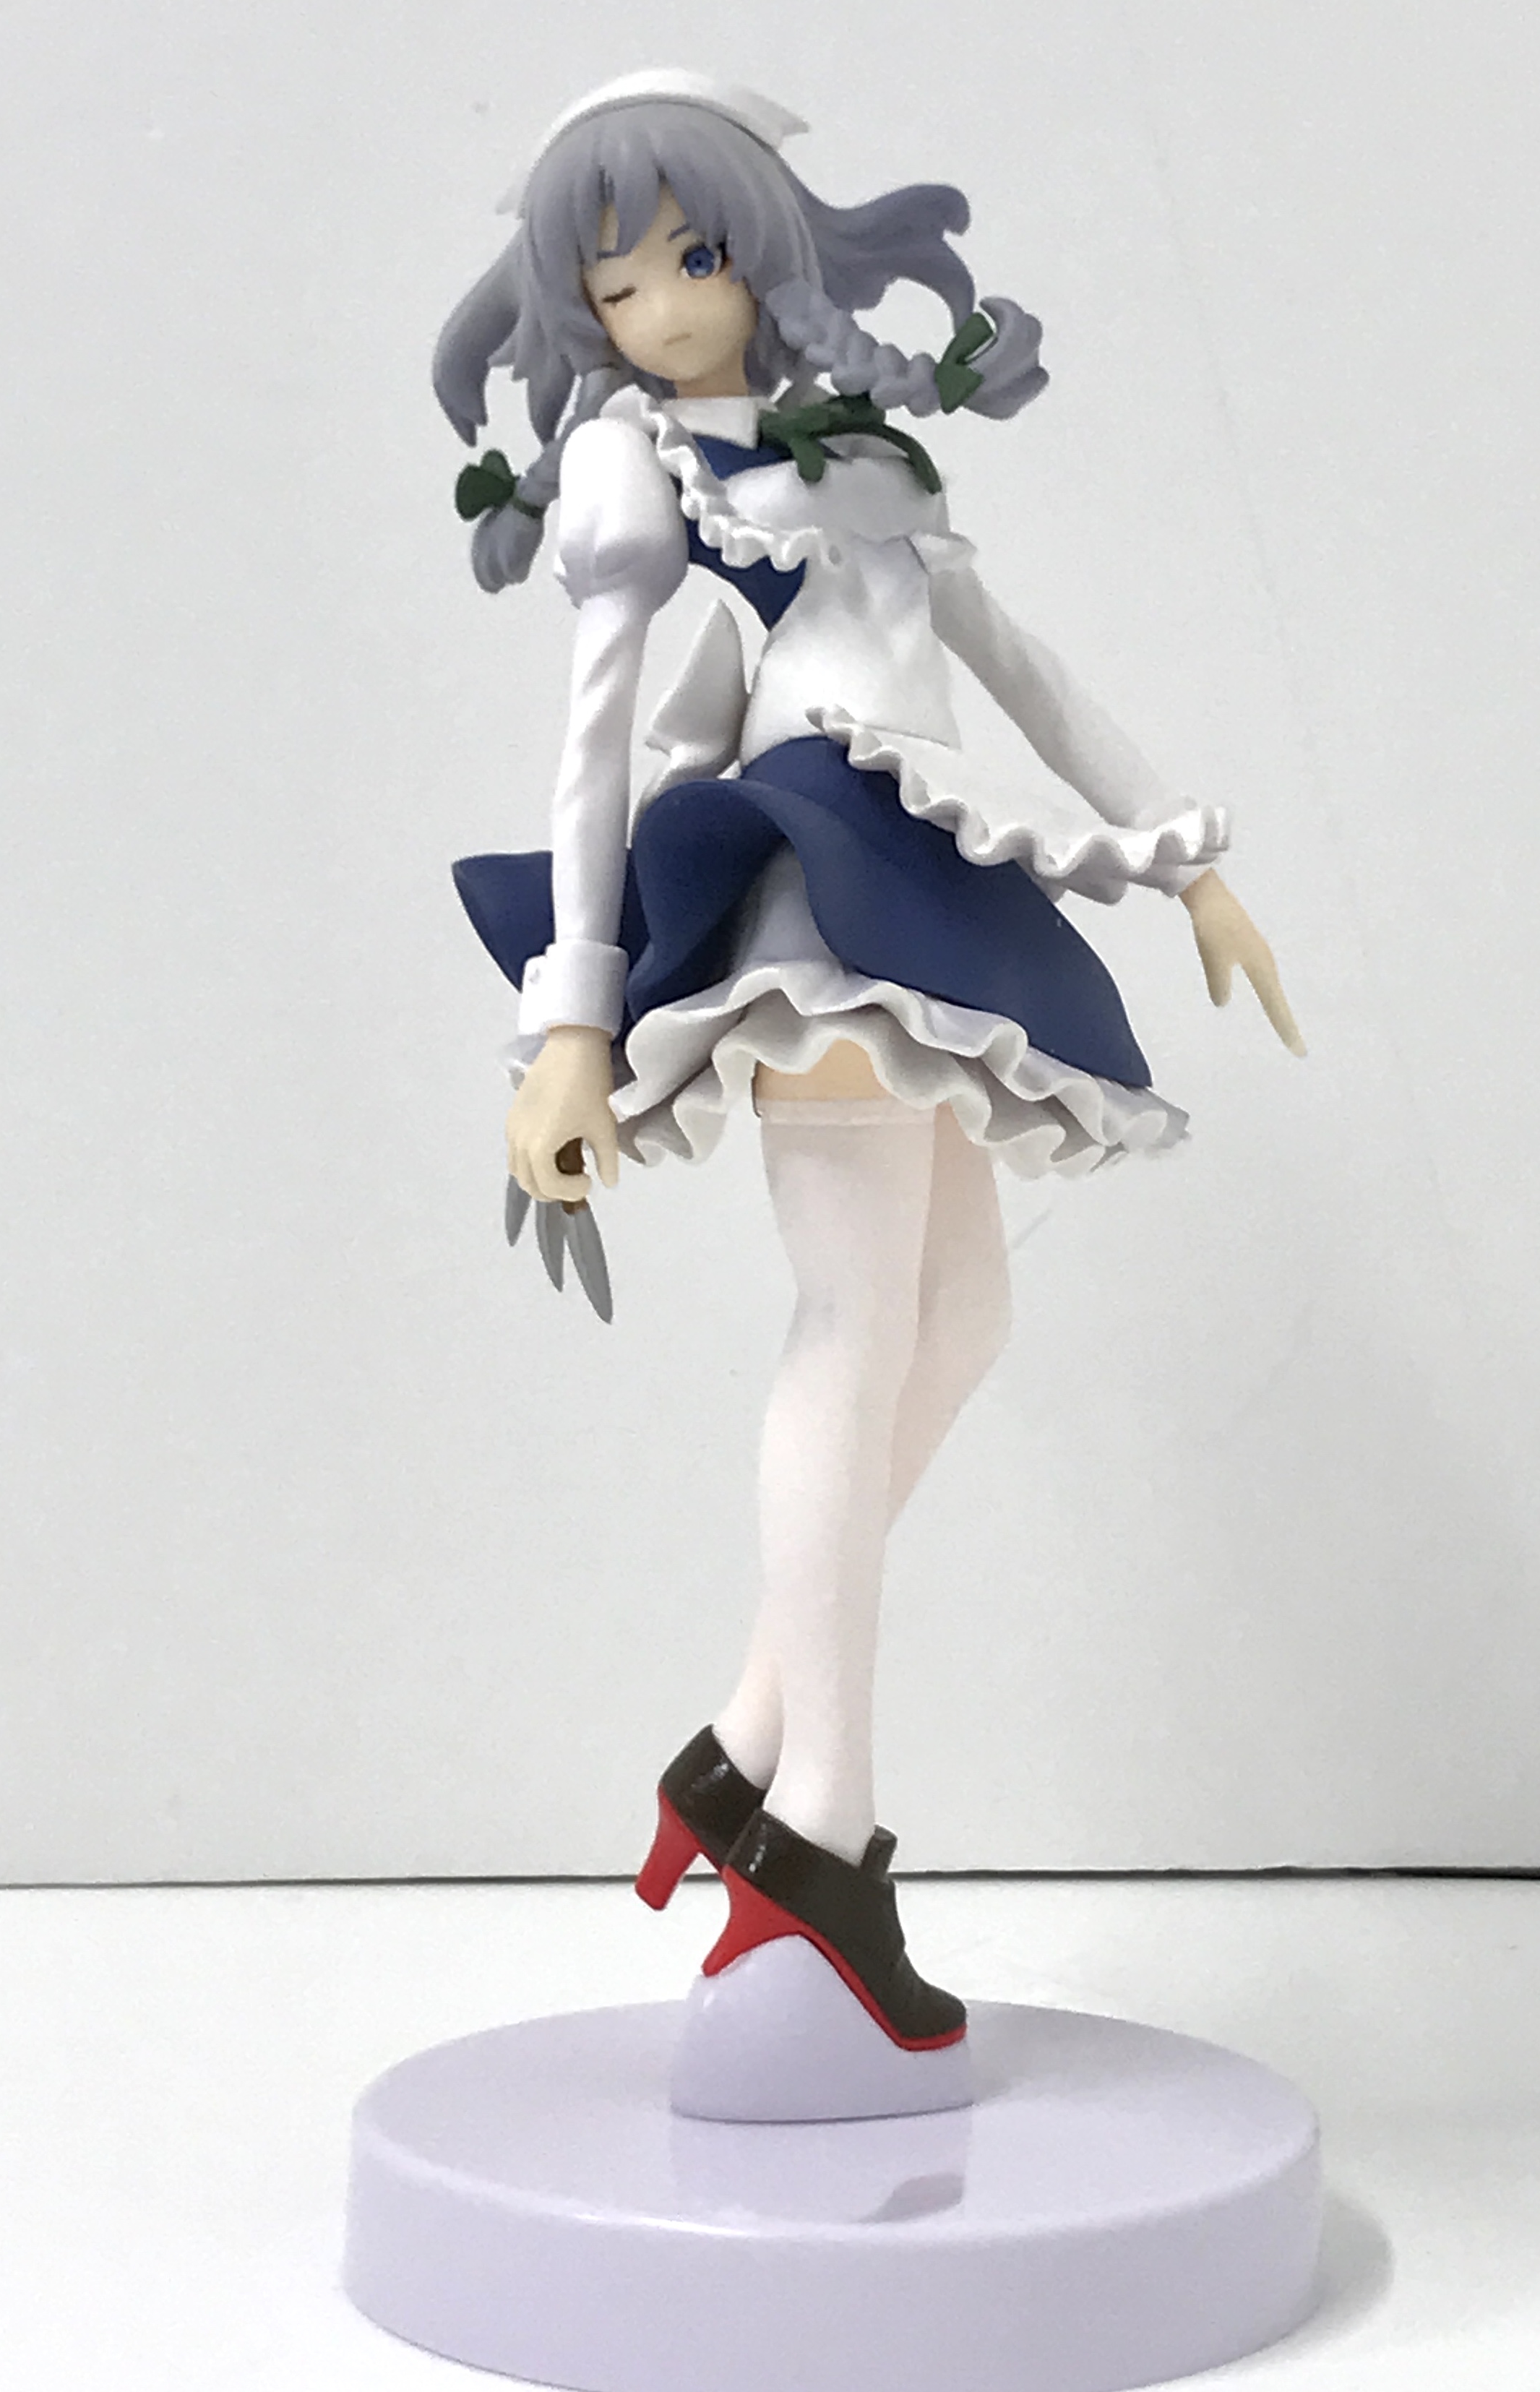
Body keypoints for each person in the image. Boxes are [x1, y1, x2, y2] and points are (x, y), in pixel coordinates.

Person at [436, 69, 1304, 2112]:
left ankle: (742, 1740)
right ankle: (816, 1824)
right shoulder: (641, 475)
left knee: (963, 1314)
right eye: (616, 284)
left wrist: (1185, 860)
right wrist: (573, 1017)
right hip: (809, 882)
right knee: (853, 1322)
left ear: (766, 247)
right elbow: (595, 747)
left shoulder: (868, 452)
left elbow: (1014, 658)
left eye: (694, 255)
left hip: (925, 868)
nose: (662, 307)